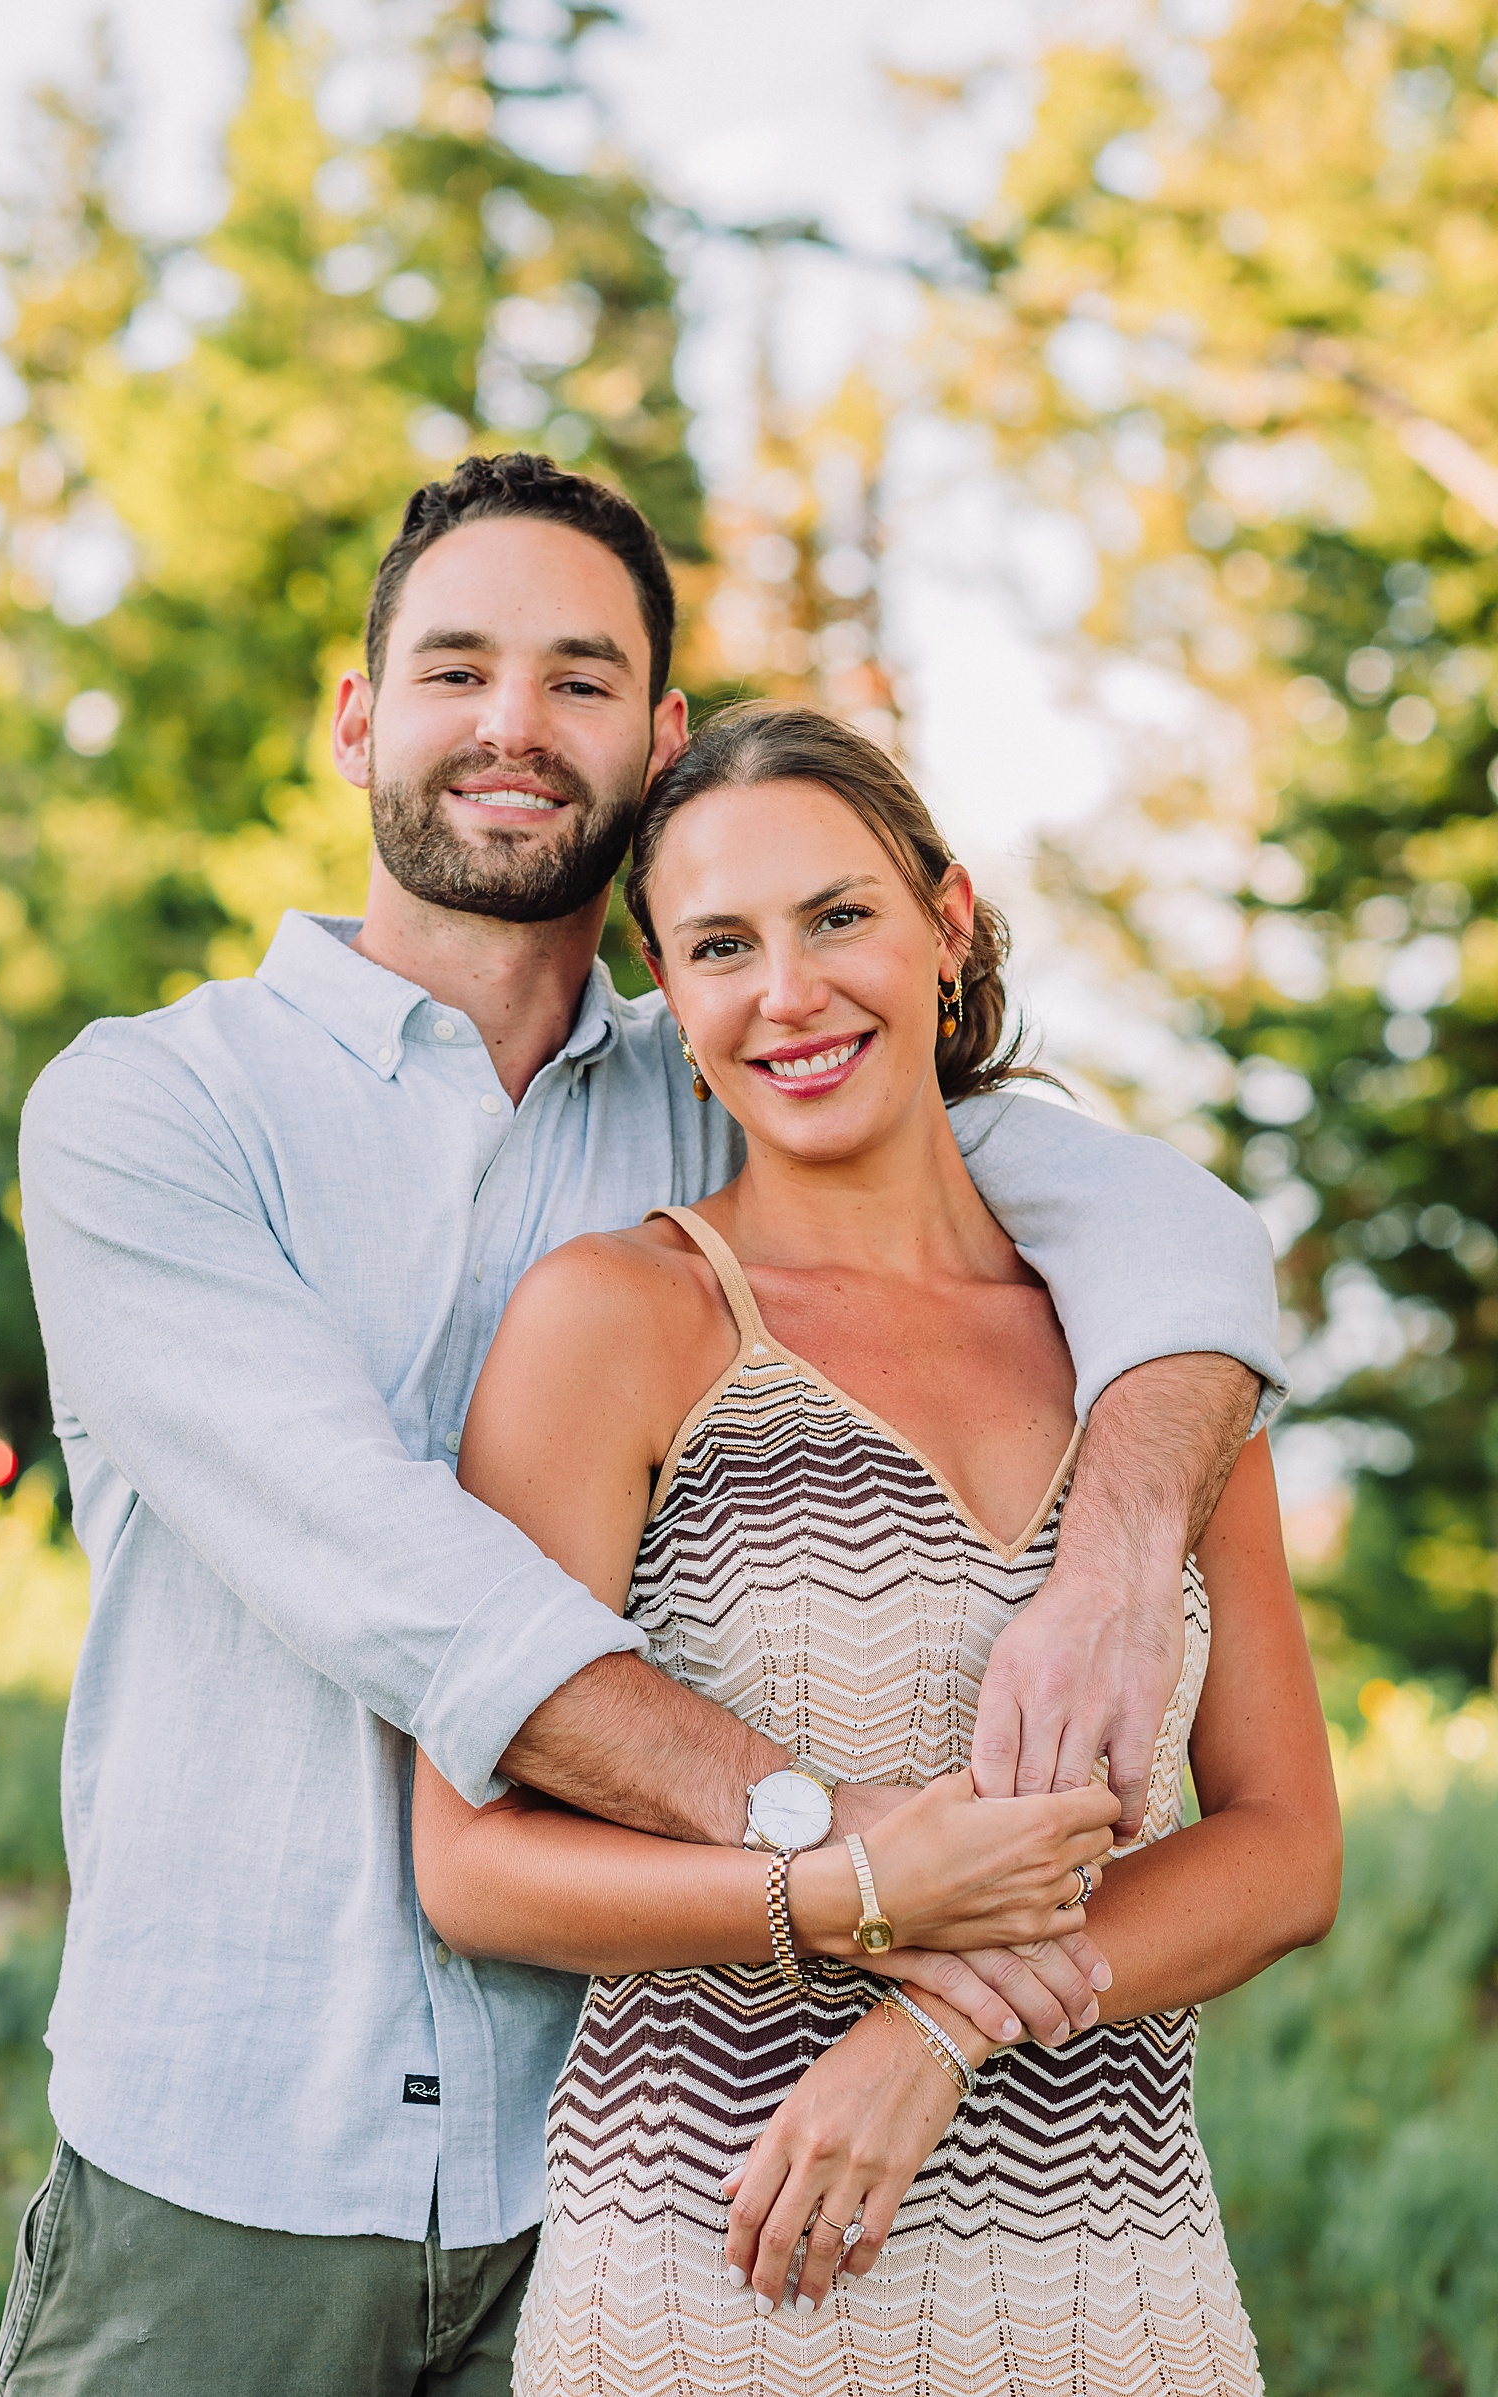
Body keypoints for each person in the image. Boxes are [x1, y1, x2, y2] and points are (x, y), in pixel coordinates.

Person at [4, 455, 1282, 2395]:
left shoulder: (728, 1078)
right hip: (227, 2167)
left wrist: (1115, 1552)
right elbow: (394, 1570)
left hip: (646, 2194)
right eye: (454, 669)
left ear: (657, 733)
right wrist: (829, 1840)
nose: (513, 722)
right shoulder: (154, 1113)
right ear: (358, 717)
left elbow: (1152, 1226)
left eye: (579, 676)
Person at [414, 703, 1343, 2397]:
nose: (790, 991)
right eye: (719, 945)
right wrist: (835, 1894)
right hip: (714, 2289)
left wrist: (935, 2021)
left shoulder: (1153, 1357)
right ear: (671, 1001)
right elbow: (475, 1868)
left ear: (949, 919)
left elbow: (1285, 1851)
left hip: (1117, 2303)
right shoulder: (622, 1321)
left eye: (840, 914)